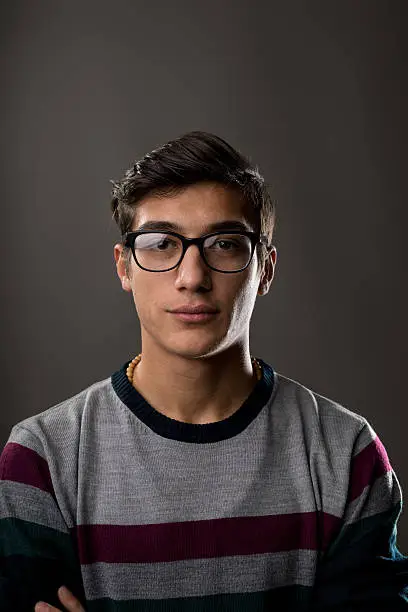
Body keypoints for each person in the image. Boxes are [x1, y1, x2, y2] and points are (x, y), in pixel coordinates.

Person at [1, 131, 407, 611]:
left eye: (225, 244)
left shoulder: (345, 455)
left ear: (266, 269)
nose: (192, 277)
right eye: (159, 243)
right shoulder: (42, 460)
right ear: (124, 267)